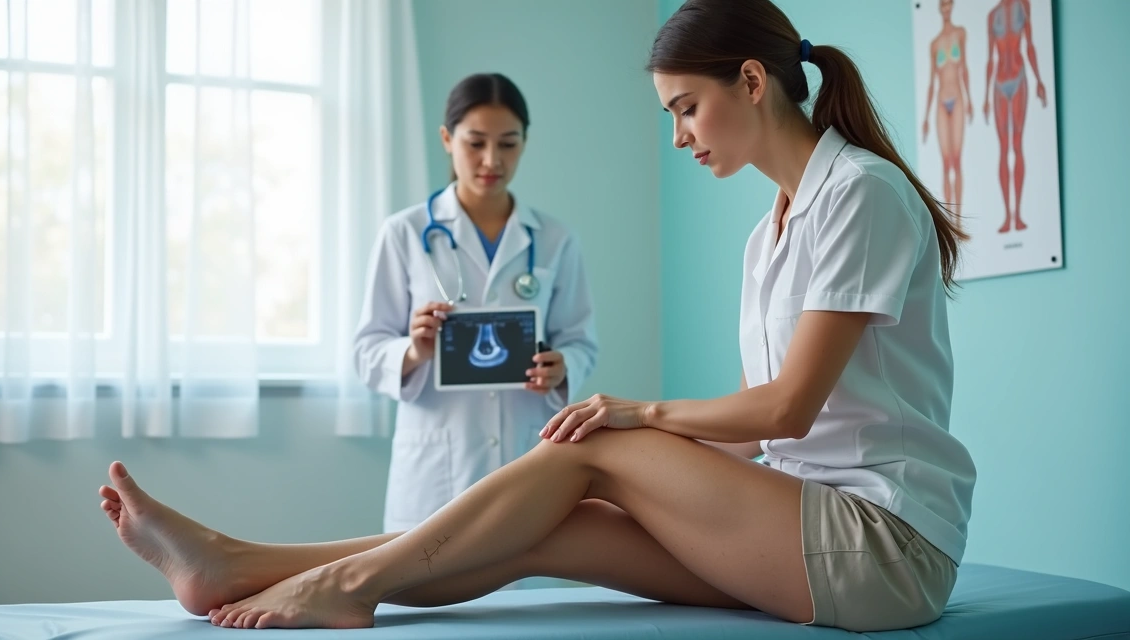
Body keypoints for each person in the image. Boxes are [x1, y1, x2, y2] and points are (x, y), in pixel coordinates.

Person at [96, 0, 977, 632]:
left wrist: (636, 418)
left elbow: (785, 410)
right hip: (796, 519)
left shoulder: (858, 193)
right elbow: (755, 433)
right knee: (548, 526)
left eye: (685, 109)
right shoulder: (770, 231)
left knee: (587, 441)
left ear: (752, 82)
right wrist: (647, 461)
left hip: (880, 544)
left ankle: (349, 584)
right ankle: (231, 561)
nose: (679, 136)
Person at [351, 72, 598, 533]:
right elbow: (367, 350)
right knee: (422, 592)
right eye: (475, 143)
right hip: (435, 466)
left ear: (525, 142)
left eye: (508, 144)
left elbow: (581, 340)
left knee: (523, 590)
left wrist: (562, 367)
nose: (491, 160)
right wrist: (413, 349)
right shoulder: (405, 234)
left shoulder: (554, 240)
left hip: (525, 452)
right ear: (447, 139)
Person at [982, 0, 1048, 233]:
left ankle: (1018, 215)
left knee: (1017, 145)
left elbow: (1029, 45)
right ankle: (1007, 217)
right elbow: (990, 58)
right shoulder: (992, 15)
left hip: (1019, 78)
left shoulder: (1024, 6)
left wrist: (1039, 80)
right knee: (1003, 148)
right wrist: (984, 96)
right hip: (999, 83)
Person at [922, 0, 973, 223]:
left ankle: (959, 220)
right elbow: (932, 82)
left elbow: (965, 69)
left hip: (958, 99)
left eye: (948, 4)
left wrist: (970, 100)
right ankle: (950, 222)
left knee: (957, 160)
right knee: (946, 163)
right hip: (941, 102)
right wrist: (925, 117)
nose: (945, 8)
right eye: (942, 4)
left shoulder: (960, 34)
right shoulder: (934, 44)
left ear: (952, 6)